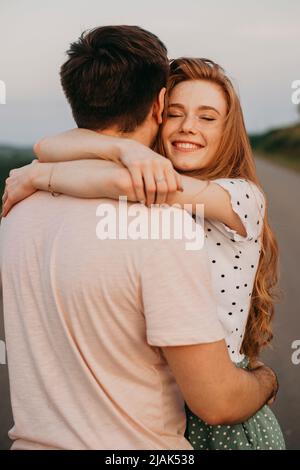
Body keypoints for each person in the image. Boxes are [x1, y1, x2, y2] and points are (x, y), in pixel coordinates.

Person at [1, 27, 279, 450]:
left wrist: (42, 174)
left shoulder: (239, 196)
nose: (188, 127)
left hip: (218, 403)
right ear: (159, 108)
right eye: (176, 113)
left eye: (207, 117)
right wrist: (124, 152)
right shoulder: (146, 200)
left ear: (229, 130)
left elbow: (127, 180)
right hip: (176, 405)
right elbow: (48, 143)